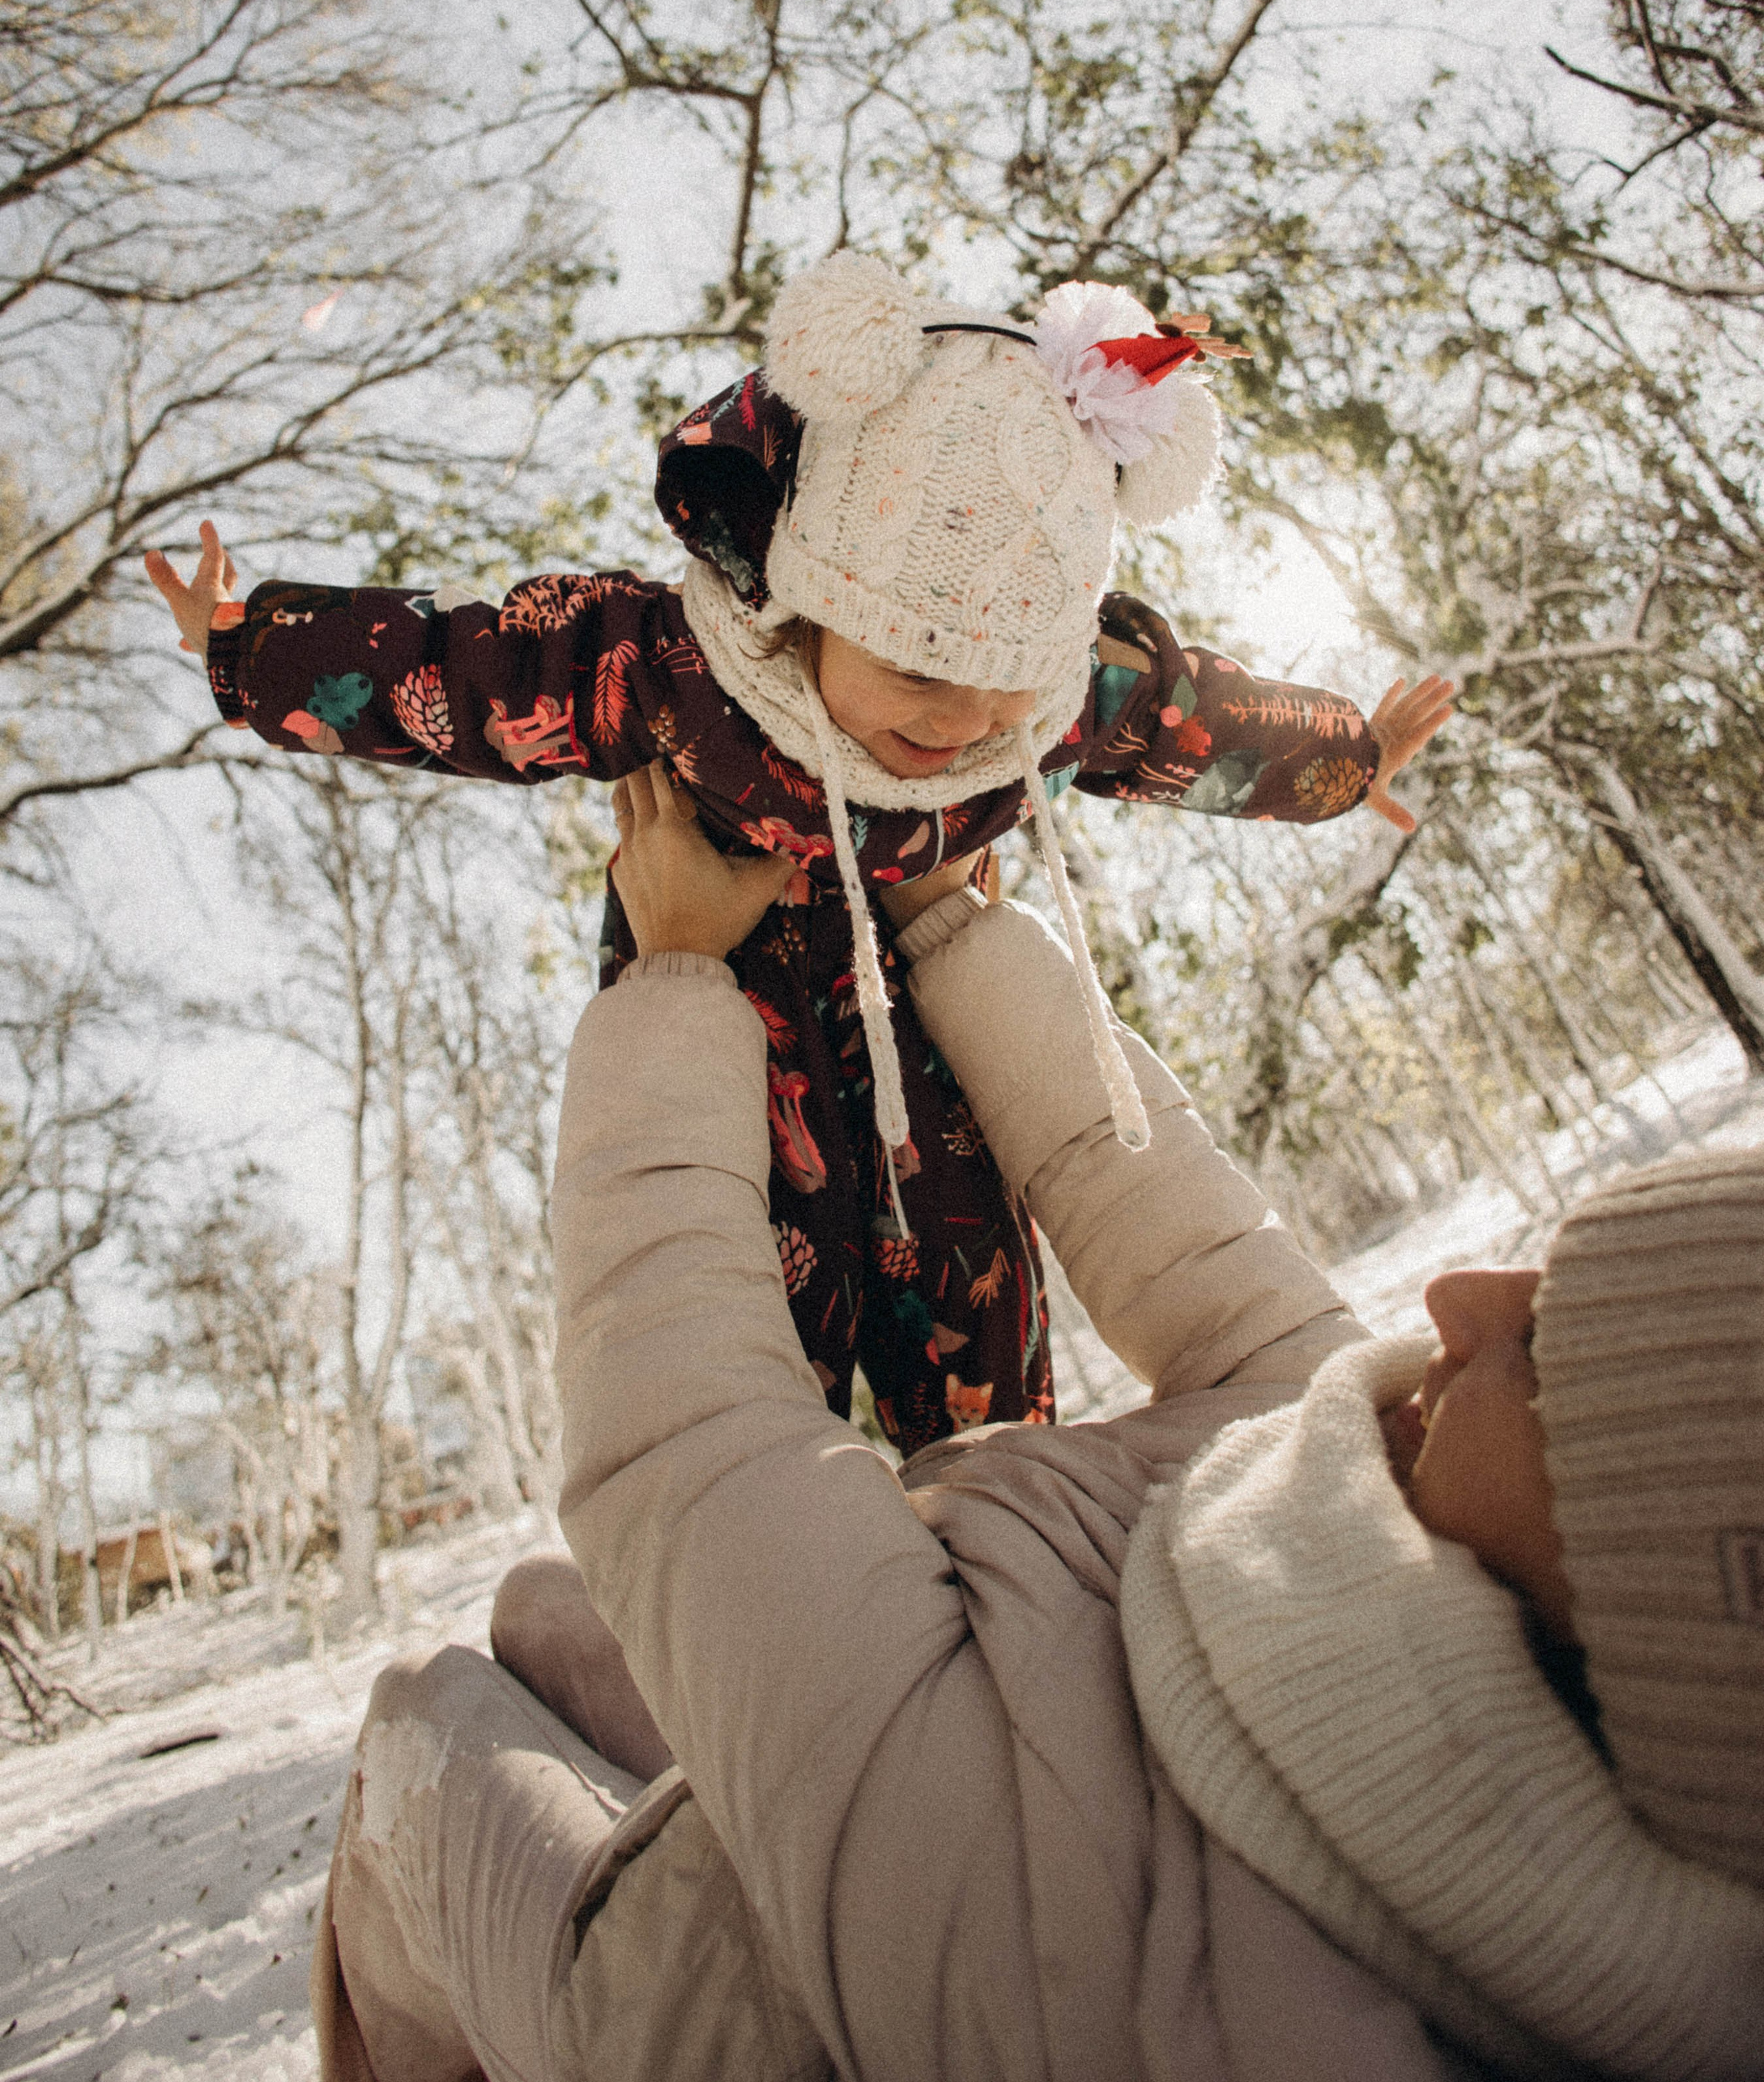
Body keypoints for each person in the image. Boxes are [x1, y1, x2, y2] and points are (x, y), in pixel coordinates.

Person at [312, 766, 1763, 2082]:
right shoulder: (1401, 1463)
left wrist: (679, 971)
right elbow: (1170, 1219)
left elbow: (685, 1435)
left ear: (1634, 1598)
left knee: (422, 1725)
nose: (1459, 1298)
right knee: (544, 1609)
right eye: (1547, 1277)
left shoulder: (1081, 1956)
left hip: (697, 1982)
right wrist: (954, 920)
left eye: (1553, 1352)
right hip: (870, 1699)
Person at [146, 254, 1452, 1458]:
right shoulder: (674, 668)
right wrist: (253, 646)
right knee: (764, 1350)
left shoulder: (1059, 708)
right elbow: (473, 669)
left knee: (980, 1350)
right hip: (733, 1035)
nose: (962, 723)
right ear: (812, 599)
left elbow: (1197, 721)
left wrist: (1345, 759)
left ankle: (997, 1522)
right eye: (918, 670)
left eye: (1007, 682)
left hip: (938, 1052)